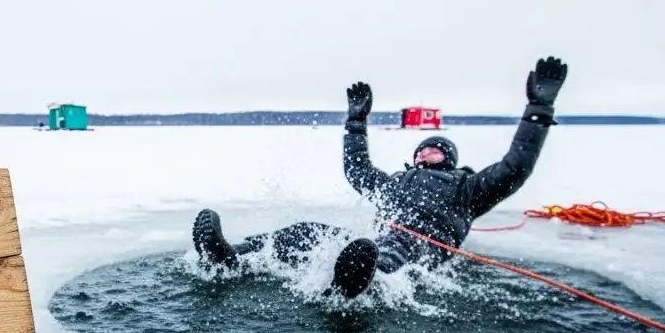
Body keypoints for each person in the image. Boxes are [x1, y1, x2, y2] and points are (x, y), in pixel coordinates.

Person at [192, 56, 569, 298]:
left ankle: (353, 287)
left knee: (389, 253)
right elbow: (357, 169)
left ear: (450, 159)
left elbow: (515, 167)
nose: (424, 153)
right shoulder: (395, 183)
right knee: (307, 232)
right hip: (374, 241)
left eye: (434, 149)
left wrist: (539, 108)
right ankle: (231, 255)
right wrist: (356, 122)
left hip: (422, 246)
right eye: (421, 150)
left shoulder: (467, 189)